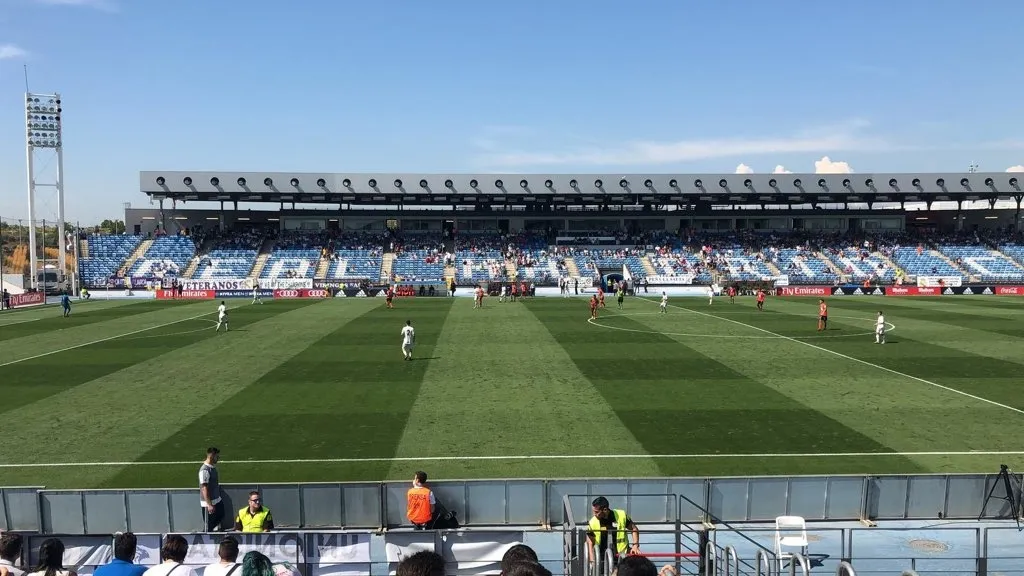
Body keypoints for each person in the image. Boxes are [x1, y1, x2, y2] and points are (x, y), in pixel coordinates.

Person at [585, 497, 639, 570]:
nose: (594, 514)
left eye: (597, 512)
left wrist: (635, 545)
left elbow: (634, 529)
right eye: (594, 511)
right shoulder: (593, 522)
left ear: (605, 510)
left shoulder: (620, 515)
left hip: (621, 556)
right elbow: (590, 542)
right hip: (602, 558)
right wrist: (592, 560)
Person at [199, 447, 224, 531]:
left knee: (221, 514)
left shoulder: (212, 467)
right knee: (209, 525)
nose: (218, 458)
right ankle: (205, 539)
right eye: (217, 456)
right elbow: (204, 488)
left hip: (217, 500)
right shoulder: (204, 470)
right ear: (212, 456)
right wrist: (209, 504)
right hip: (209, 503)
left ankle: (215, 530)